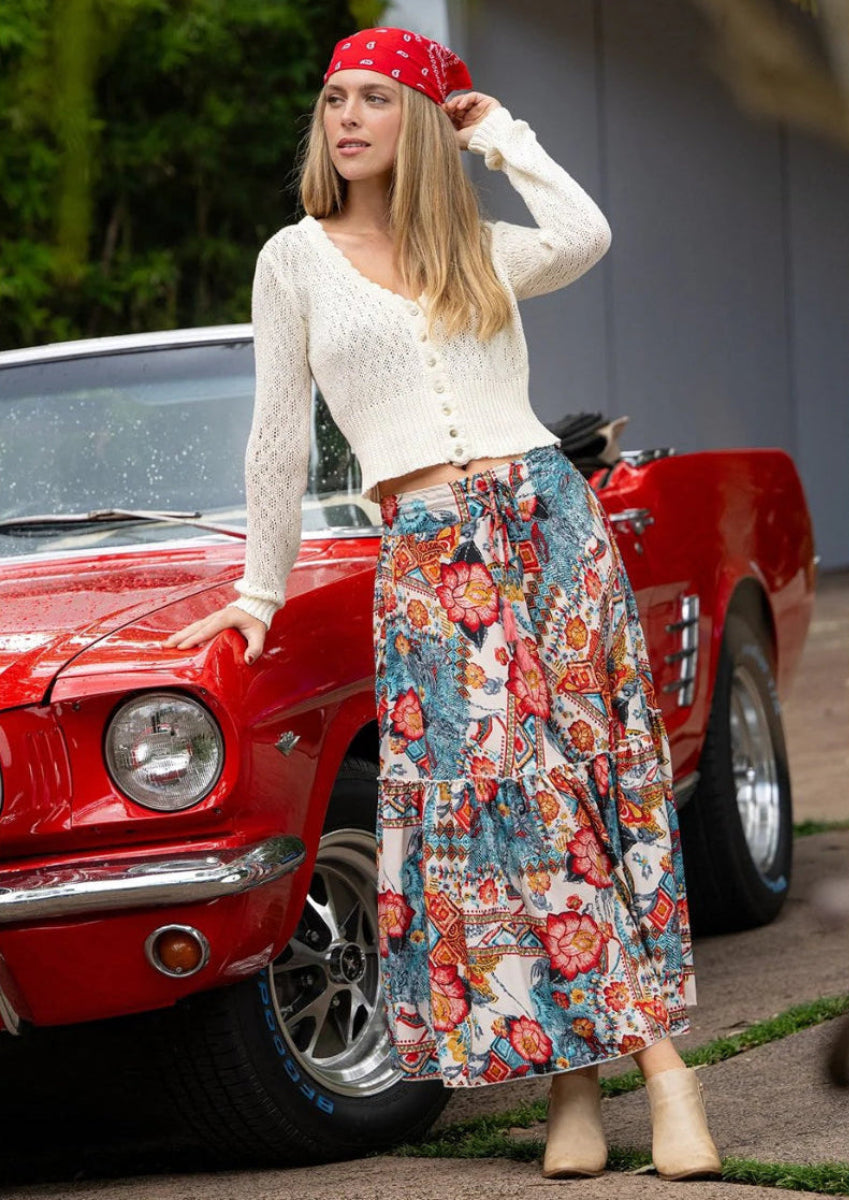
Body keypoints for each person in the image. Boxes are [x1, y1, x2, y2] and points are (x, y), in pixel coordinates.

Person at [165, 25, 722, 1181]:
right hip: (431, 555)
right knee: (515, 808)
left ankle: (605, 1083)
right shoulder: (295, 259)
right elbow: (275, 436)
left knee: (588, 784)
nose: (348, 118)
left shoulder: (470, 238)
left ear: (417, 119)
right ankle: (642, 1073)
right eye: (334, 101)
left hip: (549, 527)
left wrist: (498, 134)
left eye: (375, 98)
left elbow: (586, 233)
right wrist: (258, 594)